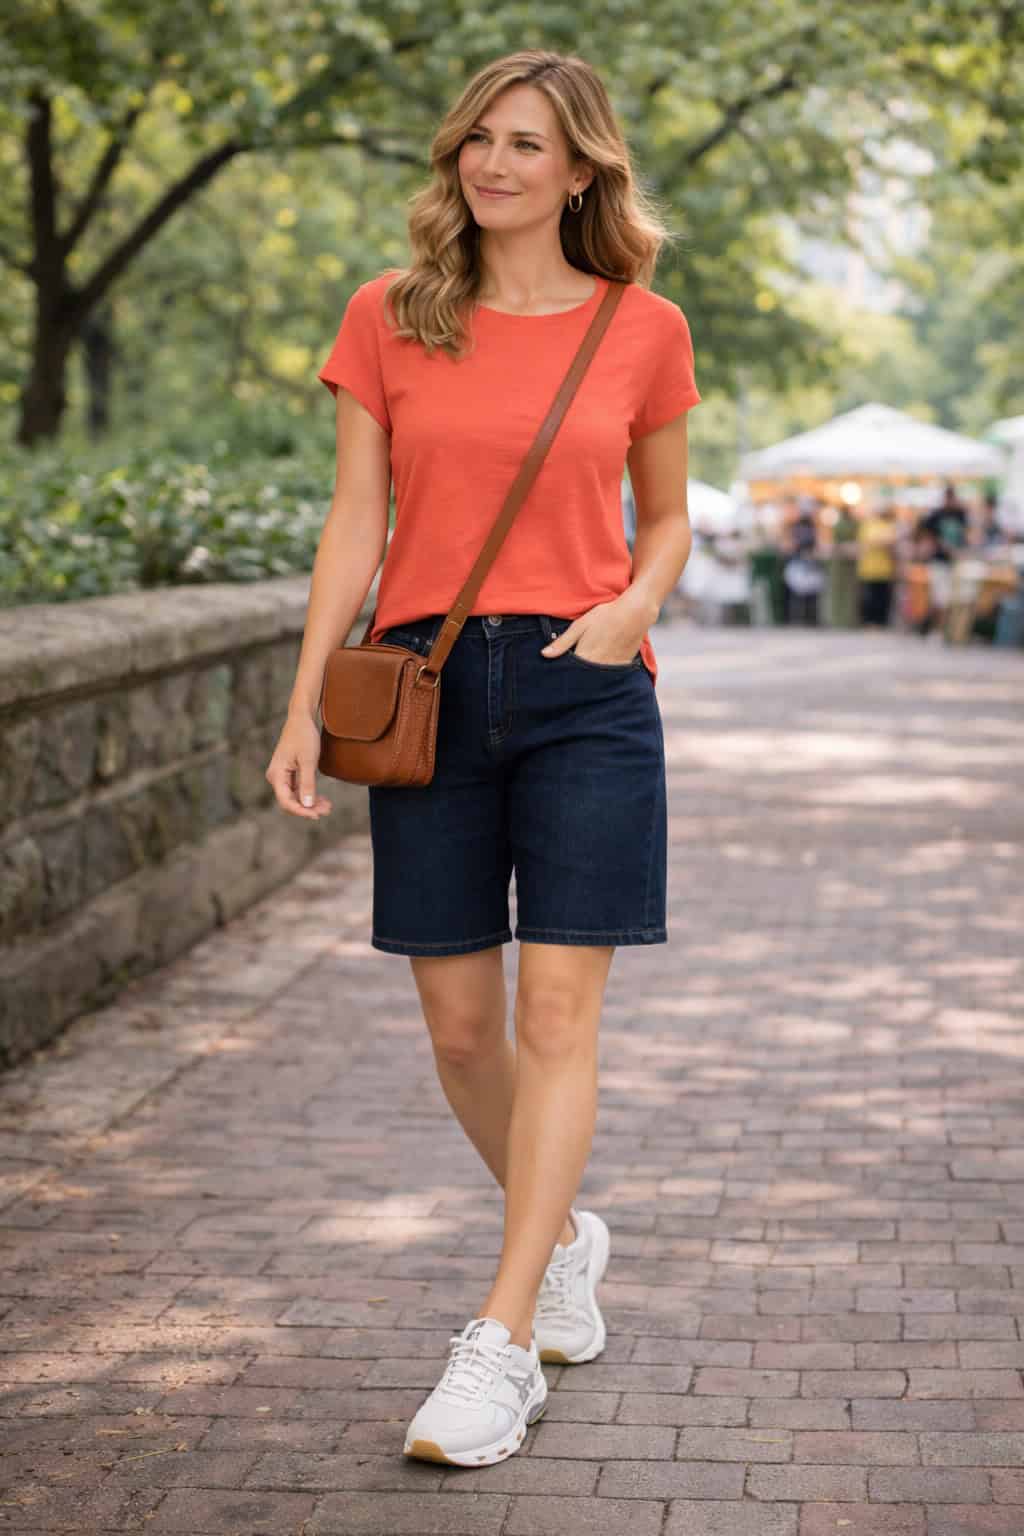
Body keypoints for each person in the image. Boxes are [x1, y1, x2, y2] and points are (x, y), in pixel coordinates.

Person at [264, 50, 700, 1469]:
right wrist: (298, 706)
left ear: (583, 172)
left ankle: (502, 1339)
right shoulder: (388, 318)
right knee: (459, 1029)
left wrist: (630, 607)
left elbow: (669, 522)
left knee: (558, 1021)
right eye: (480, 141)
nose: (497, 164)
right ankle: (567, 1237)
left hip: (587, 694)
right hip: (427, 692)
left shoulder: (644, 328)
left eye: (532, 145)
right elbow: (354, 525)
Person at [922, 481, 969, 630]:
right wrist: (940, 545)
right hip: (939, 560)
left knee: (951, 598)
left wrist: (960, 551)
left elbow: (965, 536)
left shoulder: (960, 514)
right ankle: (936, 628)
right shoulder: (936, 515)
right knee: (940, 598)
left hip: (955, 562)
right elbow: (927, 534)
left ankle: (945, 629)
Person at [856, 499, 899, 628]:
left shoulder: (889, 525)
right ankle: (869, 621)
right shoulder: (868, 525)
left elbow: (891, 543)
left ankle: (881, 621)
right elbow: (865, 543)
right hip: (869, 568)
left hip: (885, 568)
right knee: (870, 597)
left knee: (883, 597)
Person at [826, 501, 859, 628]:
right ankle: (842, 619)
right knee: (843, 592)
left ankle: (843, 619)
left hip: (845, 562)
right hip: (841, 562)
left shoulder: (847, 524)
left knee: (845, 592)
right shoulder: (843, 525)